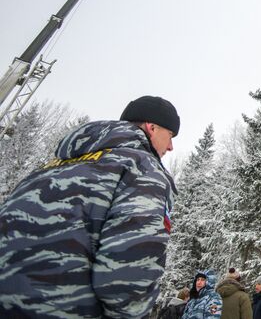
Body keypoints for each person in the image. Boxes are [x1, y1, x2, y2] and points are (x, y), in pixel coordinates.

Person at [0, 95, 180, 318]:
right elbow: (127, 272)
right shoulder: (142, 169)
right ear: (152, 128)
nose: (171, 146)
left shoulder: (50, 166)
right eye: (170, 135)